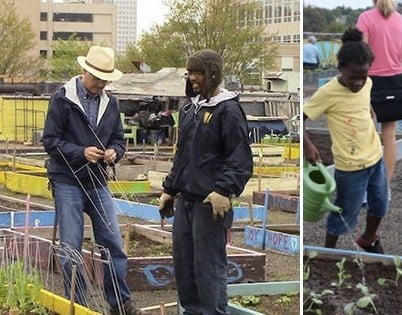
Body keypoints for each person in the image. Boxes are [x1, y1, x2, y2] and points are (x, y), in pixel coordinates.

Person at [42, 46, 145, 315]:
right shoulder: (62, 99)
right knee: (71, 247)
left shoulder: (111, 104)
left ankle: (120, 303)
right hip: (67, 181)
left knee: (112, 242)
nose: (101, 84)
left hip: (98, 181)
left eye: (105, 79)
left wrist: (114, 153)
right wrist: (80, 152)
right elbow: (50, 141)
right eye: (97, 78)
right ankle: (79, 306)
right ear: (84, 71)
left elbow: (119, 140)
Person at [157, 49, 253, 314]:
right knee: (185, 267)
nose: (193, 78)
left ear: (212, 74)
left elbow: (240, 158)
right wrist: (169, 188)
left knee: (208, 268)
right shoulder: (190, 109)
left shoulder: (228, 110)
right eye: (190, 73)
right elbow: (183, 155)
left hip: (210, 206)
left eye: (198, 72)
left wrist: (224, 189)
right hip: (186, 201)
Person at [304, 28, 388, 254]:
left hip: (375, 157)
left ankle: (368, 239)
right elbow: (298, 120)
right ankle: (327, 254)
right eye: (354, 77)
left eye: (363, 76)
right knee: (344, 213)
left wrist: (370, 113)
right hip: (350, 167)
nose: (359, 82)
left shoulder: (367, 83)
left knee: (380, 204)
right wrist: (308, 145)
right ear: (341, 69)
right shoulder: (327, 93)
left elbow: (364, 102)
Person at [356, 0, 402, 197]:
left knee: (366, 134)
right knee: (389, 135)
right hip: (396, 81)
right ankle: (384, 188)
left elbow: (361, 55)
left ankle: (364, 188)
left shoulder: (365, 18)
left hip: (371, 83)